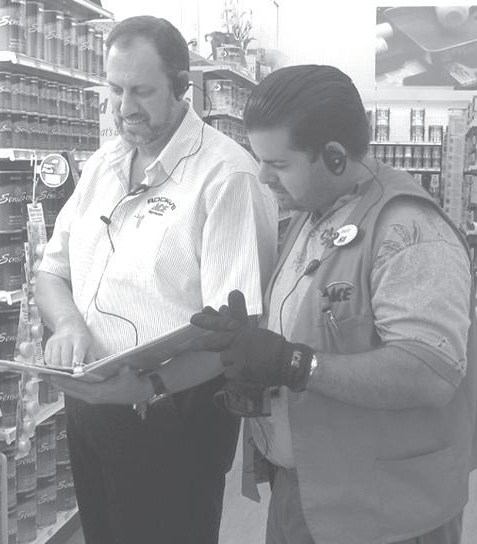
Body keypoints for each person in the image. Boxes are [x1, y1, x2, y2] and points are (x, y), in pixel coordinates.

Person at [191, 64, 477, 544]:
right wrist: (255, 343)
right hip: (310, 492)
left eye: (279, 164)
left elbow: (431, 373)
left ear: (335, 157)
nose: (263, 177)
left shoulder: (409, 231)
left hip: (387, 513)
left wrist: (295, 363)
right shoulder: (315, 212)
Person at [35, 14, 277, 544]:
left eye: (141, 91)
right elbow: (51, 271)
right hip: (91, 405)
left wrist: (148, 386)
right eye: (115, 89)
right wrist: (68, 325)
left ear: (181, 86)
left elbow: (236, 334)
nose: (124, 108)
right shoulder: (102, 165)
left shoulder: (226, 176)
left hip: (175, 414)